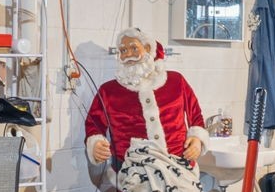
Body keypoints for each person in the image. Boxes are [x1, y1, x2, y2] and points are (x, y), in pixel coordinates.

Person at [85, 26, 208, 169]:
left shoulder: (176, 81)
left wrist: (197, 139)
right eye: (123, 51)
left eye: (134, 48)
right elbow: (93, 124)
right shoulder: (108, 91)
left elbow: (196, 116)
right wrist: (95, 144)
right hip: (133, 174)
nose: (129, 55)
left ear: (148, 48)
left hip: (179, 167)